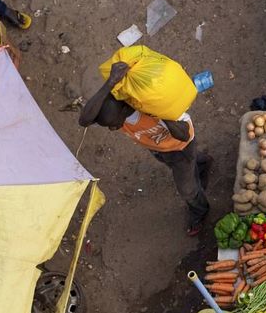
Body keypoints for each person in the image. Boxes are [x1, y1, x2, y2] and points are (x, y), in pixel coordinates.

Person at [79, 62, 212, 236]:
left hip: (180, 148)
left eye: (114, 124)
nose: (113, 129)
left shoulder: (153, 108)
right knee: (175, 161)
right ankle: (202, 163)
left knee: (187, 188)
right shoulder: (114, 109)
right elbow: (84, 120)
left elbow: (185, 135)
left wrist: (160, 114)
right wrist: (110, 82)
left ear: (126, 108)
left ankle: (200, 210)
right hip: (158, 147)